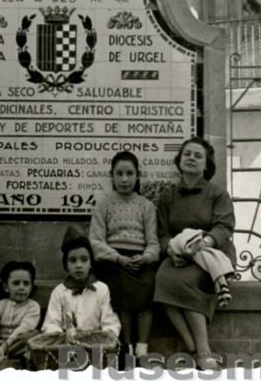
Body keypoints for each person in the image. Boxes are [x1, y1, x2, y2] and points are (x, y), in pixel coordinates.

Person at [154, 136, 236, 370]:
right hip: (179, 254)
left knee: (186, 282)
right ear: (179, 160)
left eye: (198, 155)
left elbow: (224, 227)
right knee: (162, 280)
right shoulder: (168, 196)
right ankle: (194, 350)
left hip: (211, 255)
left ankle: (204, 352)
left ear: (207, 165)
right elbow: (161, 232)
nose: (191, 158)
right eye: (187, 154)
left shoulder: (217, 194)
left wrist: (205, 242)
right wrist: (170, 248)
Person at [89, 151, 159, 359]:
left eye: (130, 173)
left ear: (137, 175)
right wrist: (117, 258)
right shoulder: (103, 204)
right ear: (112, 175)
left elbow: (154, 242)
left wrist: (146, 257)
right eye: (119, 173)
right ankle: (126, 346)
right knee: (120, 290)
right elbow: (96, 240)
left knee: (148, 286)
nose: (124, 179)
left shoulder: (146, 206)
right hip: (114, 260)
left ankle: (142, 348)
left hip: (141, 259)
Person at [41, 225, 120, 338]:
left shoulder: (102, 289)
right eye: (72, 260)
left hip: (95, 344)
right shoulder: (59, 291)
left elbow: (110, 322)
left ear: (90, 263)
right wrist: (60, 336)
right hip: (67, 345)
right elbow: (51, 323)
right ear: (66, 265)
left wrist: (106, 335)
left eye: (84, 260)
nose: (79, 265)